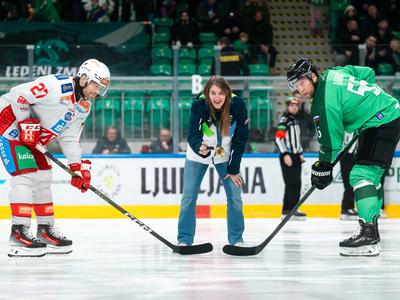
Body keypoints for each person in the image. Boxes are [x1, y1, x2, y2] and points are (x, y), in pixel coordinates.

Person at [287, 58, 400, 256]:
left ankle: (368, 235)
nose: (299, 90)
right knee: (371, 176)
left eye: (302, 82)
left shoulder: (323, 103)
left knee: (360, 175)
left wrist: (322, 167)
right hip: (385, 115)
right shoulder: (335, 72)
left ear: (313, 76)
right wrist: (364, 105)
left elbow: (331, 144)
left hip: (381, 120)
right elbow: (368, 73)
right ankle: (370, 228)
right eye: (295, 86)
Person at [0, 58, 110, 257]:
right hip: (9, 125)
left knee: (43, 177)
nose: (97, 92)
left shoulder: (84, 106)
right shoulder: (57, 86)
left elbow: (69, 137)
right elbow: (18, 94)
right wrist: (26, 124)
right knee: (25, 175)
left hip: (33, 137)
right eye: (96, 85)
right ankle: (19, 232)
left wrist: (76, 167)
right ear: (84, 78)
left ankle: (44, 230)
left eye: (101, 88)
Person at [177, 76, 249, 247]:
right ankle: (184, 240)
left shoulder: (238, 106)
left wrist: (233, 168)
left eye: (221, 93)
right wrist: (198, 148)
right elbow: (193, 134)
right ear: (207, 93)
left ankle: (237, 239)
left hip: (225, 154)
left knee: (235, 197)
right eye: (213, 93)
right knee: (188, 197)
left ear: (227, 94)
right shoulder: (198, 106)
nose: (217, 98)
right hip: (199, 153)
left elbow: (241, 139)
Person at [274, 97, 306, 220]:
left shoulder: (294, 121)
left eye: (296, 106)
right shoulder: (285, 121)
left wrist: (300, 153)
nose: (294, 107)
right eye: (292, 105)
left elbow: (296, 141)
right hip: (288, 156)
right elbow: (278, 138)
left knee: (296, 184)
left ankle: (289, 210)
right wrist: (285, 154)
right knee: (292, 183)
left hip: (295, 156)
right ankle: (290, 210)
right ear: (287, 107)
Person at [339, 132, 359, 220]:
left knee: (353, 183)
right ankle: (346, 208)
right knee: (349, 183)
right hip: (346, 156)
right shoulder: (348, 128)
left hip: (351, 156)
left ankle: (349, 207)